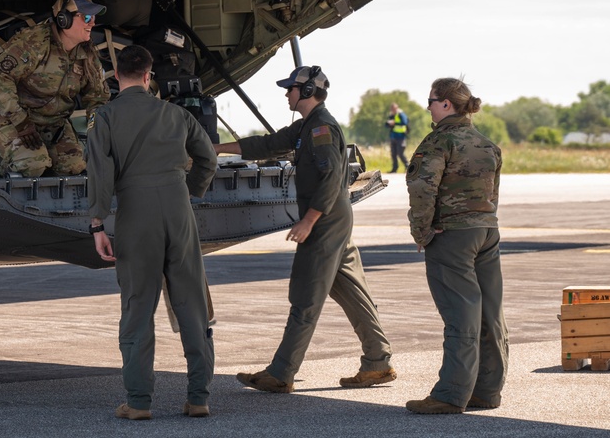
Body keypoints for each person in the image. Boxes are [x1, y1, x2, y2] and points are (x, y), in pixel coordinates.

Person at [214, 66, 395, 393]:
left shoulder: (321, 129)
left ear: (308, 92)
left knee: (305, 296)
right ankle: (378, 362)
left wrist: (308, 221)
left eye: (291, 89)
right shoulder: (306, 127)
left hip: (325, 218)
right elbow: (267, 144)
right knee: (352, 292)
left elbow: (329, 179)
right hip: (332, 218)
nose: (286, 93)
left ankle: (281, 373)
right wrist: (217, 149)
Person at [87, 45, 217, 420]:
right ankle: (198, 398)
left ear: (116, 76)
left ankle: (139, 402)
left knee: (139, 306)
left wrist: (97, 223)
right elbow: (207, 157)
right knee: (191, 304)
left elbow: (99, 171)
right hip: (178, 209)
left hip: (135, 213)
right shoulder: (175, 114)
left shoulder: (105, 117)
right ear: (148, 76)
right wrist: (190, 190)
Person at [404, 78, 508, 415]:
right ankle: (486, 390)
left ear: (446, 103)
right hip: (486, 231)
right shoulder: (486, 143)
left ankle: (451, 394)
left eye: (431, 101)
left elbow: (422, 189)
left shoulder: (439, 140)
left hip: (452, 236)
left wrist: (421, 234)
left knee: (460, 315)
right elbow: (493, 194)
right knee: (489, 313)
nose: (428, 107)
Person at [0, 0, 110, 177]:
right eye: (86, 17)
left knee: (74, 168)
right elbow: (1, 79)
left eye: (94, 17)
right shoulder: (34, 43)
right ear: (64, 19)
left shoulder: (87, 55)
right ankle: (0, 166)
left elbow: (97, 98)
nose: (92, 23)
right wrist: (21, 123)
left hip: (53, 123)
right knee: (33, 166)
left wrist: (97, 133)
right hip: (7, 117)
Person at [385, 102, 409, 173]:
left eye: (394, 109)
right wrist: (388, 123)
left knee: (400, 153)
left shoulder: (401, 114)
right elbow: (386, 125)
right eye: (392, 109)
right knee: (393, 153)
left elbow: (405, 122)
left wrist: (395, 123)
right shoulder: (391, 115)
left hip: (401, 137)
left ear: (397, 108)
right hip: (393, 137)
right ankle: (394, 169)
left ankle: (407, 165)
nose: (393, 110)